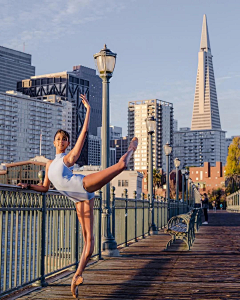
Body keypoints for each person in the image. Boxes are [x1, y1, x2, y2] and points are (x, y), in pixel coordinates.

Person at [17, 94, 138, 298]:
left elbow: (82, 137)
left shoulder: (67, 158)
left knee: (121, 166)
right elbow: (45, 188)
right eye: (59, 139)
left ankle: (131, 149)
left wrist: (88, 111)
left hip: (83, 184)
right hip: (79, 199)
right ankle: (78, 275)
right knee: (88, 241)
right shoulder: (49, 164)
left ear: (67, 143)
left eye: (65, 139)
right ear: (54, 142)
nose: (62, 141)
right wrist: (28, 185)